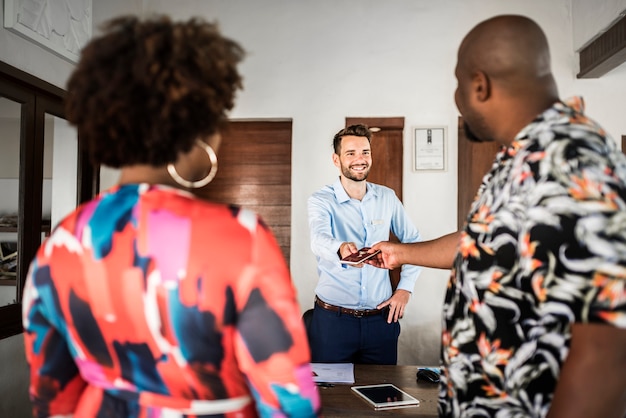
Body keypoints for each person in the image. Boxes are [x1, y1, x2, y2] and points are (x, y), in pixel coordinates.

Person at [21, 15, 320, 418]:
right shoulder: (240, 237)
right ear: (195, 128)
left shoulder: (61, 242)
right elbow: (289, 399)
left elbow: (50, 395)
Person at [369, 15, 626, 418]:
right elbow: (487, 242)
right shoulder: (523, 157)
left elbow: (607, 354)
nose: (457, 96)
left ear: (479, 85)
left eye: (457, 84)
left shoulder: (574, 162)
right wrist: (401, 254)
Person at [307, 123, 422, 365]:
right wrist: (339, 248)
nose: (360, 159)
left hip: (380, 322)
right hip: (332, 322)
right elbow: (318, 239)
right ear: (336, 160)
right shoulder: (321, 200)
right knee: (331, 398)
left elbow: (413, 241)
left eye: (365, 152)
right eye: (351, 153)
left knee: (380, 394)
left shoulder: (387, 197)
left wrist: (405, 289)